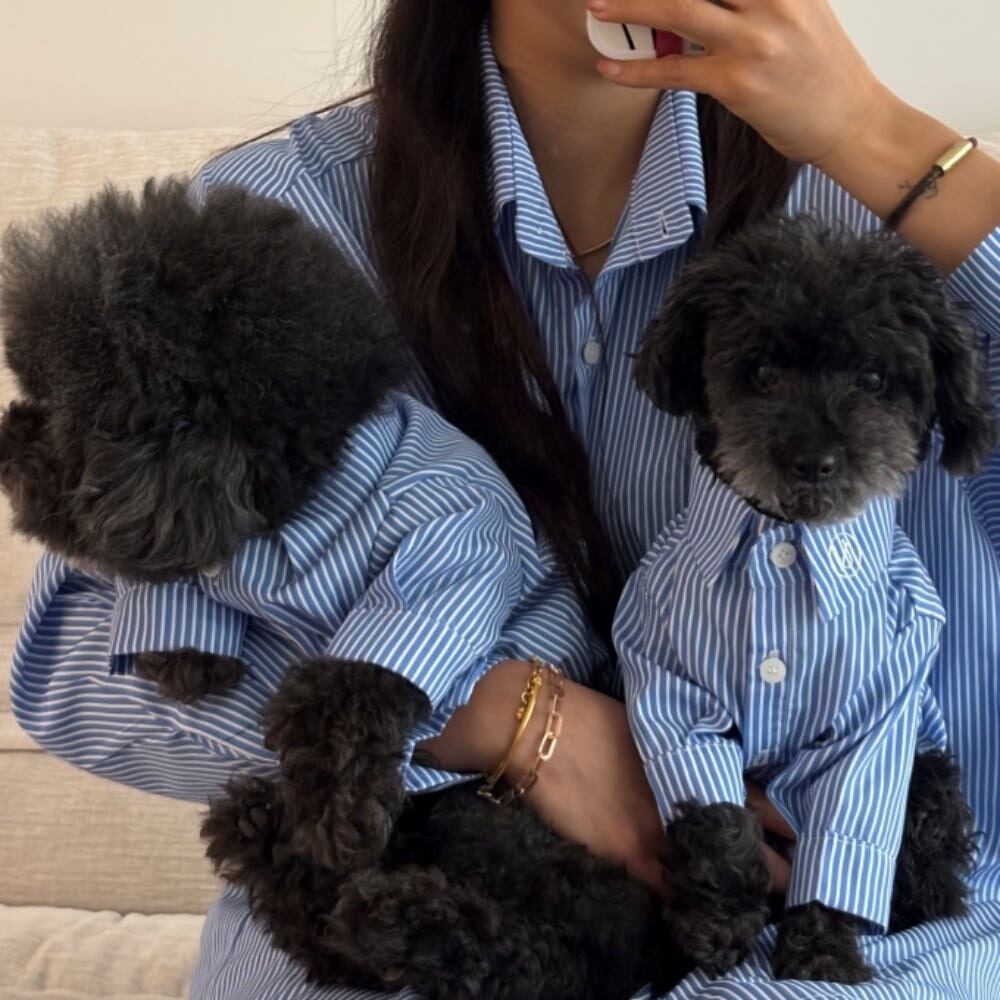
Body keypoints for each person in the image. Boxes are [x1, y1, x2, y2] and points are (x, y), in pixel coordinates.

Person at [9, 1, 1000, 997]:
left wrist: (877, 137)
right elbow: (78, 671)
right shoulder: (275, 223)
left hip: (854, 924)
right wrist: (508, 718)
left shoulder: (883, 210)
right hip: (412, 911)